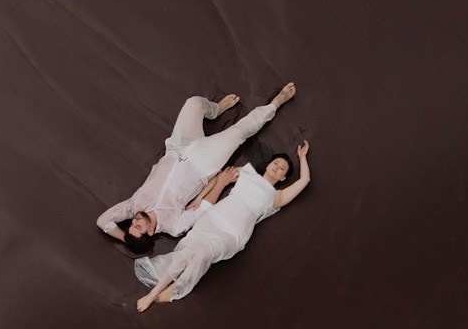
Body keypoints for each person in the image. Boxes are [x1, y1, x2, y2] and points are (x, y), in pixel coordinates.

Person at [96, 83, 296, 252]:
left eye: (132, 225)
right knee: (239, 133)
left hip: (176, 148)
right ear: (149, 232)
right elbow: (204, 207)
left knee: (194, 103)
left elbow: (103, 221)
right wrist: (220, 183)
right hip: (202, 164)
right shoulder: (174, 226)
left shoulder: (133, 207)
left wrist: (127, 239)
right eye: (138, 227)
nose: (135, 221)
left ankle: (214, 110)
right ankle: (275, 104)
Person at [135, 142, 311, 310]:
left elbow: (305, 180)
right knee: (186, 253)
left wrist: (302, 157)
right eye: (276, 163)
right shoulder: (247, 173)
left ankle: (176, 288)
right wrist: (199, 197)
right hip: (213, 219)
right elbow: (219, 177)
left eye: (282, 168)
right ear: (268, 165)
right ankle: (153, 293)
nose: (277, 167)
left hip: (233, 233)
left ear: (283, 177)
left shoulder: (276, 197)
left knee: (203, 254)